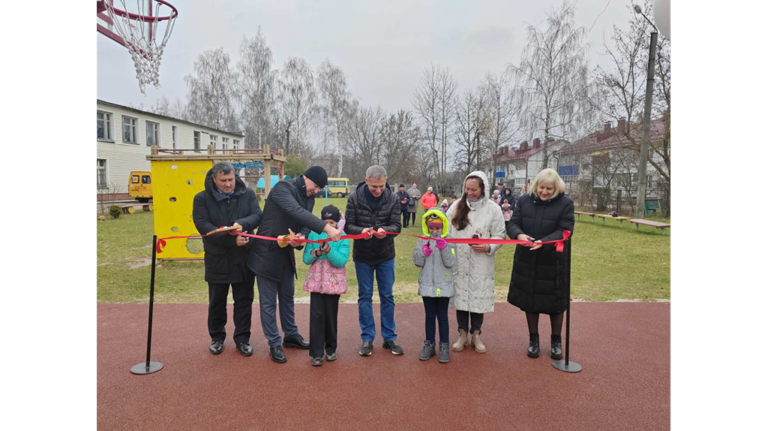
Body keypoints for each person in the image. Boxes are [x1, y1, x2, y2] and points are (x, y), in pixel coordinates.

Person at [248, 166, 342, 364]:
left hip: (285, 255)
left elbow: (305, 225)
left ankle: (291, 335)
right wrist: (325, 227)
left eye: (319, 189)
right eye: (315, 185)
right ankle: (274, 343)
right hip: (265, 254)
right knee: (268, 303)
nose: (316, 191)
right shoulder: (283, 187)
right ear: (305, 177)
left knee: (287, 297)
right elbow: (294, 210)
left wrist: (301, 238)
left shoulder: (309, 198)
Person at [193, 162, 263, 357]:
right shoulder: (201, 198)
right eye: (223, 180)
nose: (227, 184)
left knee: (244, 300)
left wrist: (241, 224)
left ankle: (242, 339)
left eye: (230, 179)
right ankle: (217, 338)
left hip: (244, 258)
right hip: (218, 259)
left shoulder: (247, 194)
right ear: (214, 178)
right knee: (216, 301)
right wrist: (232, 240)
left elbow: (257, 215)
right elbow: (203, 226)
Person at [506, 169, 575, 360]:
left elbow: (566, 230)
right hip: (527, 258)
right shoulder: (524, 200)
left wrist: (543, 242)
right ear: (536, 186)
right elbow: (513, 223)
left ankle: (556, 341)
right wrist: (519, 235)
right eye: (541, 187)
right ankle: (533, 339)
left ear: (556, 188)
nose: (544, 192)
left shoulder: (566, 203)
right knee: (530, 301)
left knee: (556, 302)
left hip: (553, 260)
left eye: (549, 189)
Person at [345, 165, 404, 356]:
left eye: (381, 186)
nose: (378, 190)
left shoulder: (393, 198)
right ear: (366, 180)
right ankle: (367, 338)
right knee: (365, 296)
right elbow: (348, 226)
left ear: (386, 181)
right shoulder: (354, 197)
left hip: (385, 255)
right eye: (374, 187)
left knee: (387, 296)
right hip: (362, 256)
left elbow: (396, 226)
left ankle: (389, 337)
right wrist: (360, 231)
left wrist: (384, 231)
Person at [446, 172, 506, 353]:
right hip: (460, 261)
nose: (470, 192)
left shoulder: (493, 209)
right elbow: (447, 233)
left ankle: (476, 335)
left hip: (481, 261)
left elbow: (500, 234)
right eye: (467, 189)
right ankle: (462, 334)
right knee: (461, 298)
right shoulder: (455, 206)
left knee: (477, 299)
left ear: (483, 189)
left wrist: (488, 246)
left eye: (474, 189)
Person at [302, 206, 350, 367]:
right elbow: (306, 259)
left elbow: (341, 261)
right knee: (316, 317)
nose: (329, 225)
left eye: (332, 222)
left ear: (337, 223)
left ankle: (330, 349)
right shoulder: (314, 234)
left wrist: (328, 251)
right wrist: (315, 253)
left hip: (333, 285)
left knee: (330, 317)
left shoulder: (343, 237)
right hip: (316, 283)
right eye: (325, 222)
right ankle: (316, 353)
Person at [413, 208, 457, 364]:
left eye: (437, 228)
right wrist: (423, 253)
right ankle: (429, 344)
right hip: (427, 285)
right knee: (429, 316)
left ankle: (444, 345)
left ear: (443, 226)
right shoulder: (422, 239)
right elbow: (417, 262)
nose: (434, 231)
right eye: (431, 228)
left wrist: (444, 248)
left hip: (444, 285)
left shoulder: (450, 240)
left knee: (443, 317)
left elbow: (451, 262)